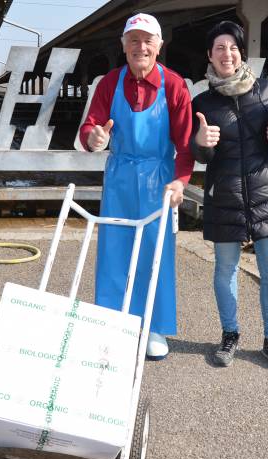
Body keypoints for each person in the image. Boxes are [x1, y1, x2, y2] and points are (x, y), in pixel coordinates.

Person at [79, 13, 195, 360]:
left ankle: (154, 326)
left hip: (159, 177)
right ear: (123, 46)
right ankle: (113, 322)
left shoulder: (174, 85)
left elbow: (186, 144)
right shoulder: (108, 83)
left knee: (155, 250)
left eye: (148, 40)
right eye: (133, 40)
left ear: (159, 45)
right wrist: (94, 138)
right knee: (114, 248)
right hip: (118, 177)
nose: (140, 47)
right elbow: (90, 128)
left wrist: (181, 180)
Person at [190, 21, 268, 374]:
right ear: (210, 55)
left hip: (266, 192)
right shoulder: (202, 101)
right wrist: (201, 144)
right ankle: (230, 334)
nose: (227, 54)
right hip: (225, 196)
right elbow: (200, 157)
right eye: (219, 48)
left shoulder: (267, 91)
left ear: (241, 54)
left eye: (232, 47)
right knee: (225, 271)